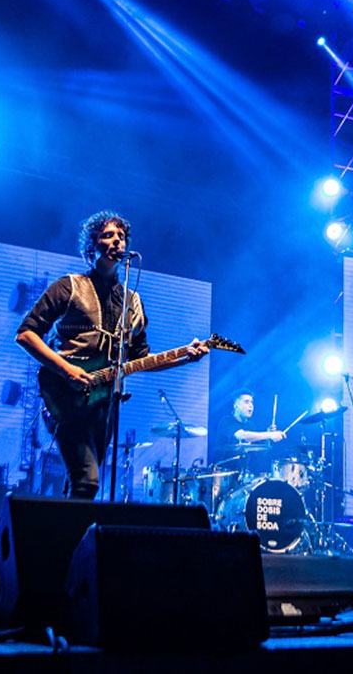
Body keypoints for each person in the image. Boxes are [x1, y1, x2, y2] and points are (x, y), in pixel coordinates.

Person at [15, 210, 208, 500]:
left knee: (82, 485)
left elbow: (141, 357)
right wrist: (66, 370)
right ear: (92, 246)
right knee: (87, 481)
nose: (117, 239)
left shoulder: (133, 301)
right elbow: (26, 334)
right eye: (108, 235)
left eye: (121, 235)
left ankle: (69, 542)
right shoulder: (68, 286)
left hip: (105, 401)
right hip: (65, 393)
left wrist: (186, 357)